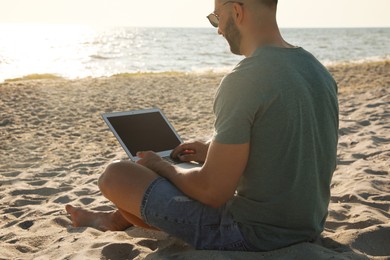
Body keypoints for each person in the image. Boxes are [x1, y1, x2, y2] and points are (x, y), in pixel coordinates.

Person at [66, 0, 339, 251]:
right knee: (178, 172)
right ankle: (112, 220)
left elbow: (213, 192)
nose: (219, 29)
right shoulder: (316, 69)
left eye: (216, 17)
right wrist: (210, 151)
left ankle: (115, 217)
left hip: (253, 234)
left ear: (237, 11)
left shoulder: (246, 78)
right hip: (307, 226)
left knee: (116, 175)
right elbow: (286, 147)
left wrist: (164, 167)